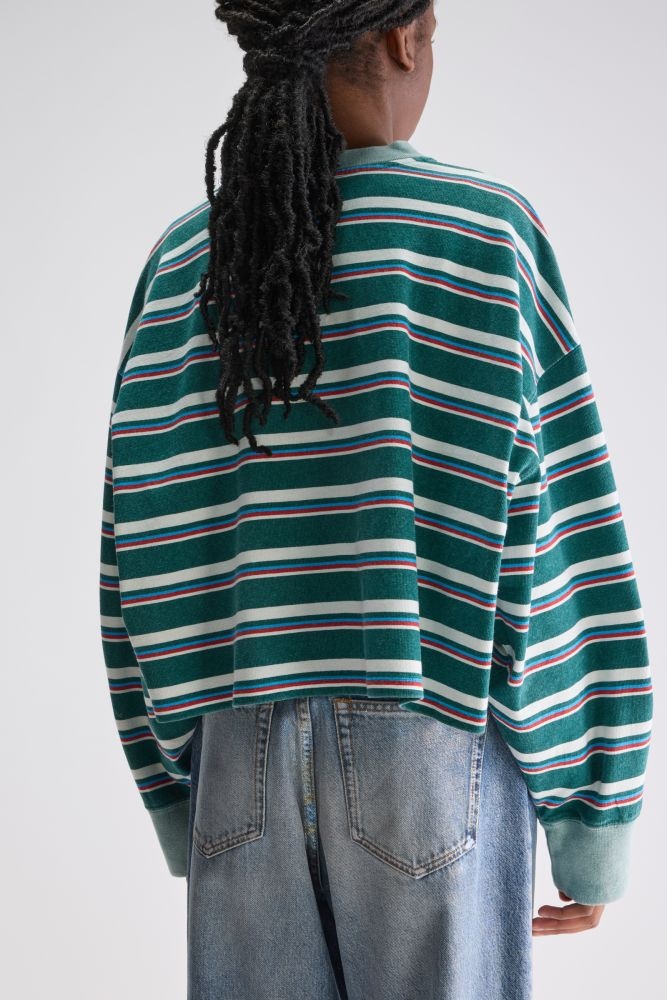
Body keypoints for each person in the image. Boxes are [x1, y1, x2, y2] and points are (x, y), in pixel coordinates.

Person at [99, 2, 653, 997]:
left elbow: (137, 545)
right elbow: (560, 535)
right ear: (407, 35)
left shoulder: (185, 261)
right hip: (430, 745)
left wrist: (172, 788)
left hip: (235, 757)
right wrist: (591, 811)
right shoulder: (482, 232)